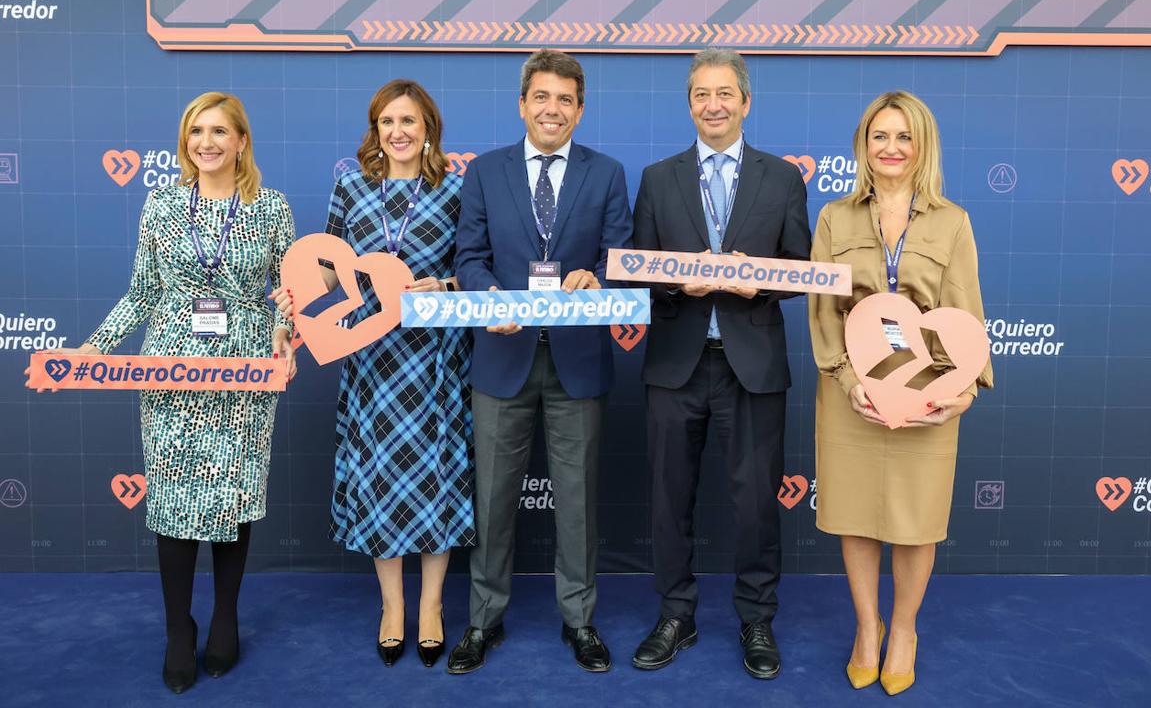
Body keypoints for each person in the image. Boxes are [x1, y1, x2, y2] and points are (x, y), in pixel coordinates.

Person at [31, 92, 296, 693]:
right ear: (186, 142)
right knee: (175, 498)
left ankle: (225, 615)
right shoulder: (163, 205)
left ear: (242, 142)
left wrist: (286, 329)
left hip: (246, 371)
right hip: (172, 368)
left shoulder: (272, 207)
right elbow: (141, 292)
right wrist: (93, 350)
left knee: (234, 494)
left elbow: (287, 291)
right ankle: (180, 627)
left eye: (220, 132)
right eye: (196, 131)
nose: (207, 142)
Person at [273, 80, 474, 669]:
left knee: (436, 478)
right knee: (382, 481)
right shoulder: (351, 188)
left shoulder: (455, 190)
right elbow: (330, 270)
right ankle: (393, 608)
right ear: (375, 130)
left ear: (429, 127)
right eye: (387, 122)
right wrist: (299, 295)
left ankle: (431, 607)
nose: (399, 132)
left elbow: (475, 270)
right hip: (370, 361)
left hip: (433, 359)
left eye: (409, 120)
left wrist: (445, 285)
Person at [450, 49, 633, 674]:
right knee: (493, 497)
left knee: (577, 501)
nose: (552, 109)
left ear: (579, 109)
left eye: (565, 99)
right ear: (522, 104)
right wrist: (486, 295)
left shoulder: (606, 173)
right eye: (541, 97)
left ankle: (580, 621)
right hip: (502, 355)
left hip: (578, 359)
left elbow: (621, 255)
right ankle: (482, 622)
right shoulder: (483, 172)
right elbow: (468, 255)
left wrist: (599, 276)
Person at [630, 48, 811, 680]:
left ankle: (757, 617)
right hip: (677, 364)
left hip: (753, 365)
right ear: (689, 105)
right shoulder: (657, 178)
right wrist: (684, 283)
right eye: (701, 94)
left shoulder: (783, 178)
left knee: (757, 503)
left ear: (746, 102)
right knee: (667, 498)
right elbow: (640, 272)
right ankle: (675, 613)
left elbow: (799, 271)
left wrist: (751, 284)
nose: (713, 105)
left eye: (725, 94)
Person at [807, 90, 992, 695]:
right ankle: (868, 628)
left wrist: (963, 387)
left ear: (922, 147)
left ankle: (905, 630)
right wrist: (848, 379)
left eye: (903, 137)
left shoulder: (952, 220)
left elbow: (966, 309)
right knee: (856, 516)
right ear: (864, 144)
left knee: (917, 522)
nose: (891, 148)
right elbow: (825, 310)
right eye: (879, 136)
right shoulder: (835, 217)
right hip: (851, 392)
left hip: (927, 395)